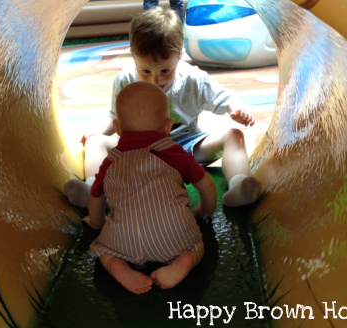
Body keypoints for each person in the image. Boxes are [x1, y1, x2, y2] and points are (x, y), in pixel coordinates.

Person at [63, 6, 261, 210]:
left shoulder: (194, 79)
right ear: (133, 56)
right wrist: (98, 133)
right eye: (145, 70)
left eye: (165, 70)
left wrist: (235, 109)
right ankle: (93, 190)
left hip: (186, 148)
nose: (155, 79)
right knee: (96, 143)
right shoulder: (125, 80)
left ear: (180, 55)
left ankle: (239, 186)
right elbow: (116, 117)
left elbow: (225, 98)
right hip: (138, 150)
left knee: (234, 135)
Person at [85, 81, 217, 294]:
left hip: (123, 241)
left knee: (104, 252)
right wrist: (204, 210)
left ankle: (119, 268)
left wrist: (96, 223)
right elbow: (208, 185)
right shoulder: (174, 153)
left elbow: (96, 197)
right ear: (168, 126)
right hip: (174, 238)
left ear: (117, 128)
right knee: (197, 248)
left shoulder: (111, 161)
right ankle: (183, 262)